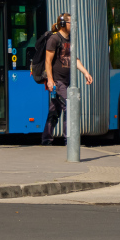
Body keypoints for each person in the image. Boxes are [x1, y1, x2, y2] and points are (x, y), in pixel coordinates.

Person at [42, 13, 93, 146]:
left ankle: (46, 139)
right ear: (64, 24)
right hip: (57, 81)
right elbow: (48, 61)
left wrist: (85, 73)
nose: (74, 25)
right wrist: (50, 80)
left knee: (54, 111)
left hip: (65, 81)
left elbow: (75, 59)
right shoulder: (54, 39)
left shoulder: (70, 39)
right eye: (72, 23)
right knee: (70, 106)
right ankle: (69, 140)